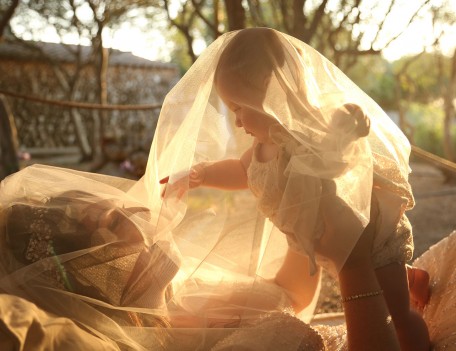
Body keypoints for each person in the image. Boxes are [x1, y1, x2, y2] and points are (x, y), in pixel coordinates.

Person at [160, 27, 430, 350]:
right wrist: (200, 174)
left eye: (239, 109)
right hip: (320, 243)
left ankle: (420, 341)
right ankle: (410, 277)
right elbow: (240, 171)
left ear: (272, 94)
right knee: (383, 285)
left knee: (396, 311)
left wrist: (346, 123)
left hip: (368, 241)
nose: (238, 122)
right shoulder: (262, 147)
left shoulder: (305, 138)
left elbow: (339, 149)